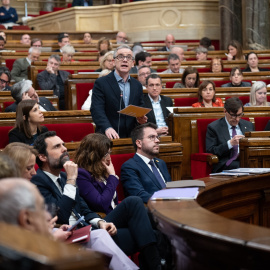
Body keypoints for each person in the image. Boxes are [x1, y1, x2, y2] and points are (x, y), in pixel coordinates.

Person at [31, 131, 162, 270]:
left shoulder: (64, 177)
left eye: (63, 144)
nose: (64, 148)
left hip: (88, 230)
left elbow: (84, 208)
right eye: (57, 146)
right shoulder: (39, 181)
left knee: (152, 233)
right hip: (70, 238)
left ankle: (157, 264)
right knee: (134, 202)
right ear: (43, 157)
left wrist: (100, 222)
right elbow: (60, 216)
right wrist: (71, 180)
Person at [0, 178, 141, 270]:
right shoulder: (40, 262)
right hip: (72, 246)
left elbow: (85, 209)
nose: (48, 215)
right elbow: (62, 214)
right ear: (26, 219)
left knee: (141, 232)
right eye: (42, 207)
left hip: (82, 230)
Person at [90, 44, 146, 139]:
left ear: (132, 63)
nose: (124, 60)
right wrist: (107, 127)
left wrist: (140, 119)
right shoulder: (101, 83)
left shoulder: (137, 85)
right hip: (107, 136)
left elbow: (140, 107)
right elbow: (97, 110)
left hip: (131, 137)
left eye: (128, 57)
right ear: (114, 61)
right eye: (120, 57)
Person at [121, 123, 172, 203]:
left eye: (157, 137)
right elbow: (139, 195)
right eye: (152, 137)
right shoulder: (129, 166)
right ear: (139, 143)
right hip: (151, 210)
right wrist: (165, 200)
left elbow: (170, 188)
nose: (157, 141)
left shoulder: (161, 163)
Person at [206, 97, 254, 173]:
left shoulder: (248, 125)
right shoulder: (214, 127)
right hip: (226, 162)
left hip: (246, 159)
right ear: (225, 111)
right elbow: (211, 150)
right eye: (233, 115)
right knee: (241, 165)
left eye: (240, 115)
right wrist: (230, 143)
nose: (237, 119)